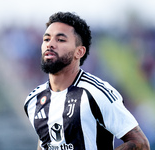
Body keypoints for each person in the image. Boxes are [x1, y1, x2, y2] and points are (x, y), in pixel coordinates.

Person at [24, 12, 150, 150]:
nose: (50, 44)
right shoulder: (33, 99)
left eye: (60, 40)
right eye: (46, 39)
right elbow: (44, 144)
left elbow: (140, 143)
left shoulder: (96, 93)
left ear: (79, 52)